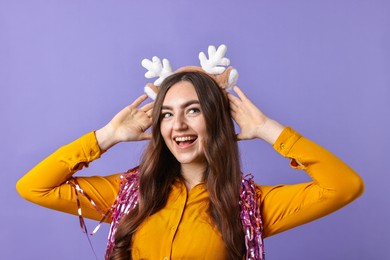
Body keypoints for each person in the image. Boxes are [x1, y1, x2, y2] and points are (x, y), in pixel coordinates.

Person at [17, 71, 364, 260]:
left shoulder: (250, 208)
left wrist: (269, 130)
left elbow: (345, 186)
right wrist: (107, 136)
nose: (178, 124)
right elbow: (34, 187)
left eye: (193, 110)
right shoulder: (128, 196)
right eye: (167, 114)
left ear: (216, 119)